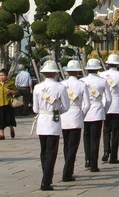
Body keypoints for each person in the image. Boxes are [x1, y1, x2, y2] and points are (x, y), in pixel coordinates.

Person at [32, 60, 70, 191]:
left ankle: (46, 176)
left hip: (42, 120)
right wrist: (56, 108)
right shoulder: (60, 87)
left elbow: (35, 109)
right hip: (54, 121)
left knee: (43, 152)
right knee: (51, 152)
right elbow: (66, 107)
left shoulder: (38, 87)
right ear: (55, 73)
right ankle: (46, 181)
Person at [60, 60, 90, 182]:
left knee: (66, 145)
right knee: (73, 146)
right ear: (78, 71)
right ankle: (67, 172)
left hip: (63, 116)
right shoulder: (82, 84)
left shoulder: (62, 84)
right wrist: (81, 115)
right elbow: (87, 104)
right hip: (76, 114)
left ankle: (68, 168)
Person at [81, 59, 111, 172]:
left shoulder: (82, 81)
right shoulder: (102, 81)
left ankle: (87, 159)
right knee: (95, 138)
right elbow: (108, 99)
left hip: (85, 111)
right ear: (98, 69)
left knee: (86, 136)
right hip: (98, 110)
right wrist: (104, 110)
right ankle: (94, 164)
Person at [99, 54, 119, 164]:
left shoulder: (102, 74)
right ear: (117, 64)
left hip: (104, 104)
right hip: (116, 104)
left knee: (106, 130)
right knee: (115, 132)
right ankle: (114, 156)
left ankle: (106, 151)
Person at [0, 68, 17, 140]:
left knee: (9, 119)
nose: (1, 77)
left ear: (6, 76)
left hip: (8, 104)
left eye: (3, 75)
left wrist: (11, 91)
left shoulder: (10, 83)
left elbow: (16, 92)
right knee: (0, 120)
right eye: (0, 75)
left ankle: (11, 128)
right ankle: (2, 135)